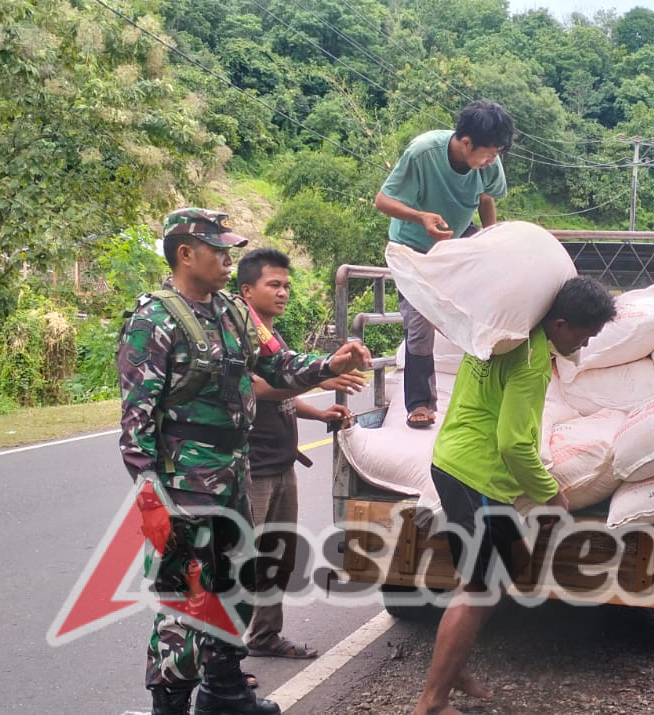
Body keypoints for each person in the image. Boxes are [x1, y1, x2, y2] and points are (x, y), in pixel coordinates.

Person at [119, 208, 371, 715]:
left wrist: (329, 364)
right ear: (185, 254)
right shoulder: (154, 321)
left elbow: (278, 364)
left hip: (234, 469)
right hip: (184, 482)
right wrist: (151, 499)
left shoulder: (234, 313)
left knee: (235, 582)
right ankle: (170, 703)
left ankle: (225, 692)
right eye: (218, 250)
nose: (227, 260)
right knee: (186, 595)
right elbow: (136, 422)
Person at [412, 277, 616, 715]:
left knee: (504, 569)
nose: (584, 345)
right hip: (478, 477)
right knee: (480, 587)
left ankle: (453, 665)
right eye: (583, 335)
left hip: (456, 464)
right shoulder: (531, 360)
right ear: (559, 324)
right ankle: (432, 700)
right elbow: (514, 444)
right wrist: (550, 493)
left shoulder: (496, 335)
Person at [232, 248, 363, 659]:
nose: (283, 293)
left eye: (287, 285)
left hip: (282, 464)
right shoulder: (240, 339)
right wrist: (320, 379)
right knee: (243, 561)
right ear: (246, 290)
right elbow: (260, 389)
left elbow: (284, 395)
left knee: (278, 558)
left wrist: (318, 411)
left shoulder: (274, 341)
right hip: (253, 467)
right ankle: (223, 657)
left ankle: (264, 636)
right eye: (274, 285)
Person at [374, 99, 515, 429]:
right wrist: (420, 216)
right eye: (488, 154)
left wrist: (491, 240)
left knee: (495, 295)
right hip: (413, 244)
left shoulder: (489, 163)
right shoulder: (423, 152)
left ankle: (493, 387)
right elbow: (382, 200)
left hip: (456, 233)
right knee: (419, 323)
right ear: (466, 142)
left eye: (497, 154)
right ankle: (420, 404)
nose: (492, 160)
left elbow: (486, 198)